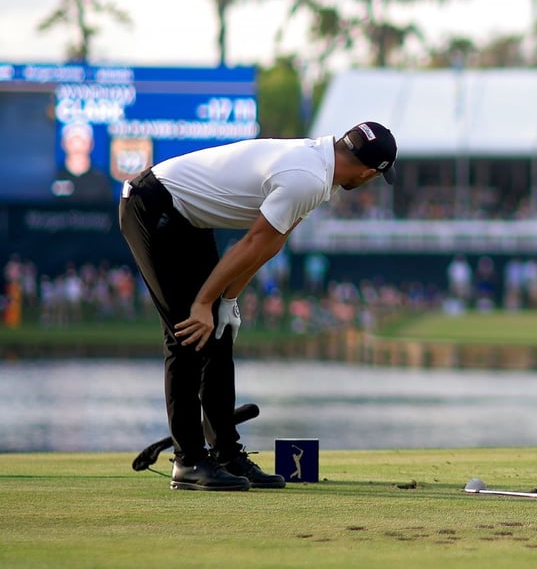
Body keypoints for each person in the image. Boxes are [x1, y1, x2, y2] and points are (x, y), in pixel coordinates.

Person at [118, 121, 397, 491]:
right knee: (187, 334)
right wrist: (203, 302)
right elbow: (250, 243)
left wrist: (227, 300)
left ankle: (225, 455)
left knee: (216, 332)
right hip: (152, 205)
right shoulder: (308, 178)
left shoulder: (319, 168)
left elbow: (271, 243)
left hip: (189, 219)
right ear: (367, 172)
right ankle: (188, 462)